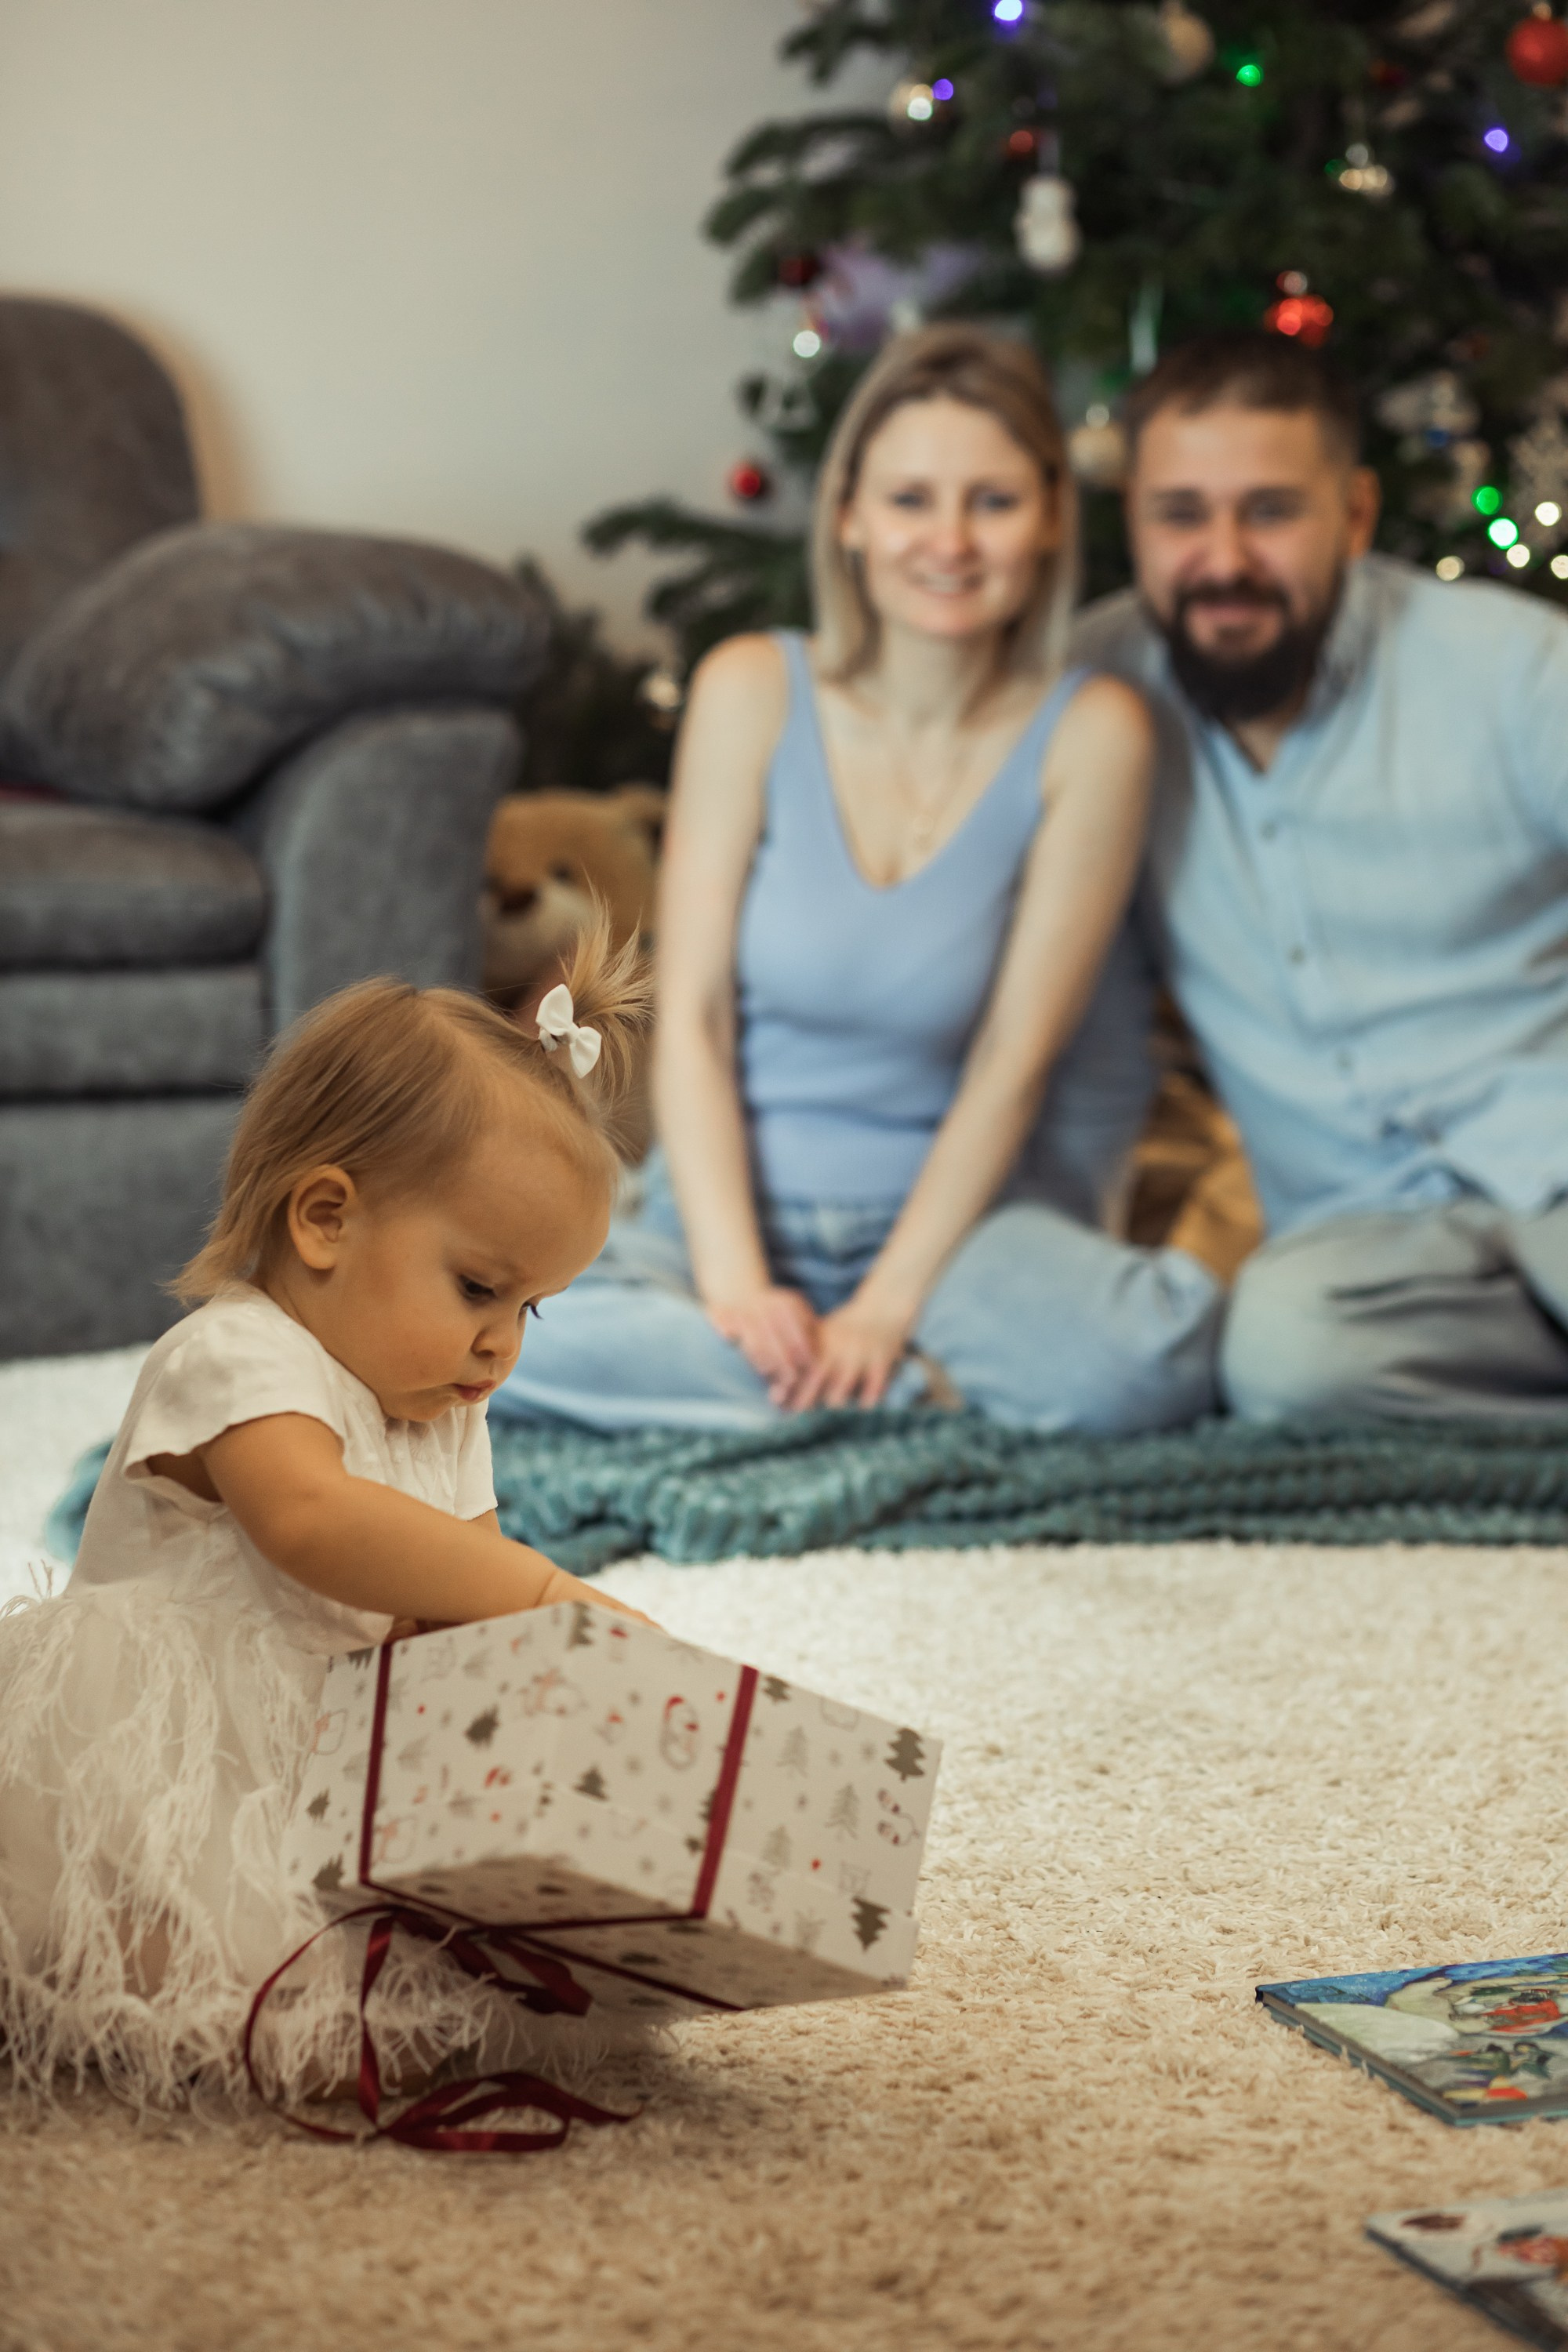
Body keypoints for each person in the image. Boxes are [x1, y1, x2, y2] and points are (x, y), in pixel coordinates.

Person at [494, 325, 1222, 1437]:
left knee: (1154, 1362)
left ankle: (802, 1394)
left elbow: (1014, 1062)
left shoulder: (1095, 733)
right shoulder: (751, 688)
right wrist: (738, 1290)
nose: (949, 541)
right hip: (723, 1218)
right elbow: (693, 1019)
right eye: (910, 499)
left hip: (960, 1240)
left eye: (993, 501)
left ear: (1049, 520)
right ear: (848, 515)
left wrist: (886, 1309)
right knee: (495, 1332)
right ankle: (901, 1400)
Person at [0, 931, 649, 2114]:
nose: (501, 1345)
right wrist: (546, 1592)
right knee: (170, 1955)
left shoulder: (448, 1408)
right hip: (173, 1757)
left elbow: (454, 1601)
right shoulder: (236, 1353)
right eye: (479, 1288)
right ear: (325, 1219)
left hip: (327, 1762)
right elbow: (311, 1521)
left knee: (476, 1959)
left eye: (533, 1310)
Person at [1073, 328, 1568, 1419]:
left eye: (1271, 511)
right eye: (1181, 514)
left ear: (1354, 515)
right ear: (1134, 522)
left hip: (1556, 1166)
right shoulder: (1093, 703)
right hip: (1369, 1253)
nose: (1225, 561)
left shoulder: (1513, 670)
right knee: (1281, 1359)